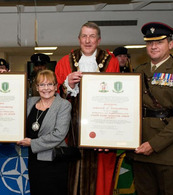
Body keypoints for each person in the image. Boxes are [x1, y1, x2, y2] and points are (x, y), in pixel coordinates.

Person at [127, 22, 173, 195]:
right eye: (149, 42)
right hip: (140, 148)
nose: (153, 46)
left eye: (159, 42)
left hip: (167, 151)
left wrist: (154, 145)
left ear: (170, 45)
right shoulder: (139, 71)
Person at [55, 21, 119, 195]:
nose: (88, 40)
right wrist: (67, 84)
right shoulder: (64, 62)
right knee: (71, 172)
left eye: (92, 36)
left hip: (101, 127)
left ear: (98, 40)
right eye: (84, 36)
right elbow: (54, 98)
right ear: (79, 39)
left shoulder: (111, 62)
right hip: (71, 130)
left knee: (99, 175)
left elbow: (117, 98)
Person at [17, 70, 71, 195]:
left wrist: (32, 143)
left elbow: (59, 134)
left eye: (50, 84)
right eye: (42, 85)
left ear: (56, 86)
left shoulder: (63, 105)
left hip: (54, 161)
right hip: (34, 160)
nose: (46, 88)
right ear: (36, 87)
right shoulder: (30, 102)